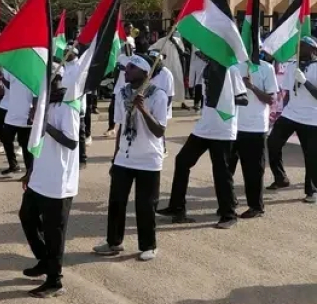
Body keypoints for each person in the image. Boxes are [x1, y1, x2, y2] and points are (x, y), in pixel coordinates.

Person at [157, 57, 247, 228]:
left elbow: (243, 98)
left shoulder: (231, 70)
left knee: (221, 172)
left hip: (223, 130)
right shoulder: (207, 69)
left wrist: (223, 100)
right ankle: (177, 208)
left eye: (204, 51)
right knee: (182, 161)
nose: (200, 54)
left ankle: (229, 214)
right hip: (204, 127)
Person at [93, 55, 167, 261]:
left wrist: (143, 109)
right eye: (126, 67)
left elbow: (159, 130)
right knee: (116, 202)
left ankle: (148, 245)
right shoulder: (121, 94)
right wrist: (115, 156)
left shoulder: (158, 96)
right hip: (124, 157)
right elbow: (120, 127)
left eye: (132, 68)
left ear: (145, 72)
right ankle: (114, 242)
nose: (126, 71)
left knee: (145, 205)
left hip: (148, 159)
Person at [19, 66, 80, 298]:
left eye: (46, 81)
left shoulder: (69, 106)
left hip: (58, 180)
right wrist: (30, 171)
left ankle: (55, 281)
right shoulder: (43, 105)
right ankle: (45, 260)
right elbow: (37, 142)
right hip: (39, 176)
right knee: (27, 217)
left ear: (57, 81)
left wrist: (47, 126)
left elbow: (72, 142)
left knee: (55, 231)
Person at [267, 37, 317, 201]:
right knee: (272, 143)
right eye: (298, 45)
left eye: (303, 46)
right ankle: (280, 178)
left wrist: (305, 81)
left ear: (313, 49)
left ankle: (312, 190)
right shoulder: (291, 66)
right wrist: (284, 111)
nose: (299, 48)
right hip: (291, 114)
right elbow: (287, 92)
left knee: (311, 155)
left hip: (311, 118)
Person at [228, 51, 277, 217]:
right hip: (233, 127)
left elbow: (270, 100)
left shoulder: (267, 68)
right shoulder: (234, 67)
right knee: (226, 169)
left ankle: (256, 207)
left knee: (253, 171)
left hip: (255, 128)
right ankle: (228, 203)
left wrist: (251, 86)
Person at [2, 70, 34, 173]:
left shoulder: (32, 71)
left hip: (26, 116)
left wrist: (34, 110)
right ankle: (13, 165)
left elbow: (37, 93)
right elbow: (11, 86)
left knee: (26, 148)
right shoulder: (13, 69)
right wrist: (2, 78)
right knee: (6, 140)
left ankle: (30, 173)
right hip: (11, 115)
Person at [0, 69, 21, 174]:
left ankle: (27, 167)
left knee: (20, 138)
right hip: (5, 104)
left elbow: (13, 87)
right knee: (4, 136)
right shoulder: (4, 68)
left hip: (17, 106)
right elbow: (0, 90)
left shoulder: (16, 68)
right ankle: (13, 164)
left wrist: (2, 78)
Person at [107, 37, 134, 135]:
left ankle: (128, 128)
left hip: (129, 88)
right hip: (118, 87)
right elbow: (116, 71)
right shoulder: (121, 57)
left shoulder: (136, 59)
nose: (127, 48)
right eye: (125, 46)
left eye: (129, 46)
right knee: (112, 108)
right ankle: (111, 128)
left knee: (128, 109)